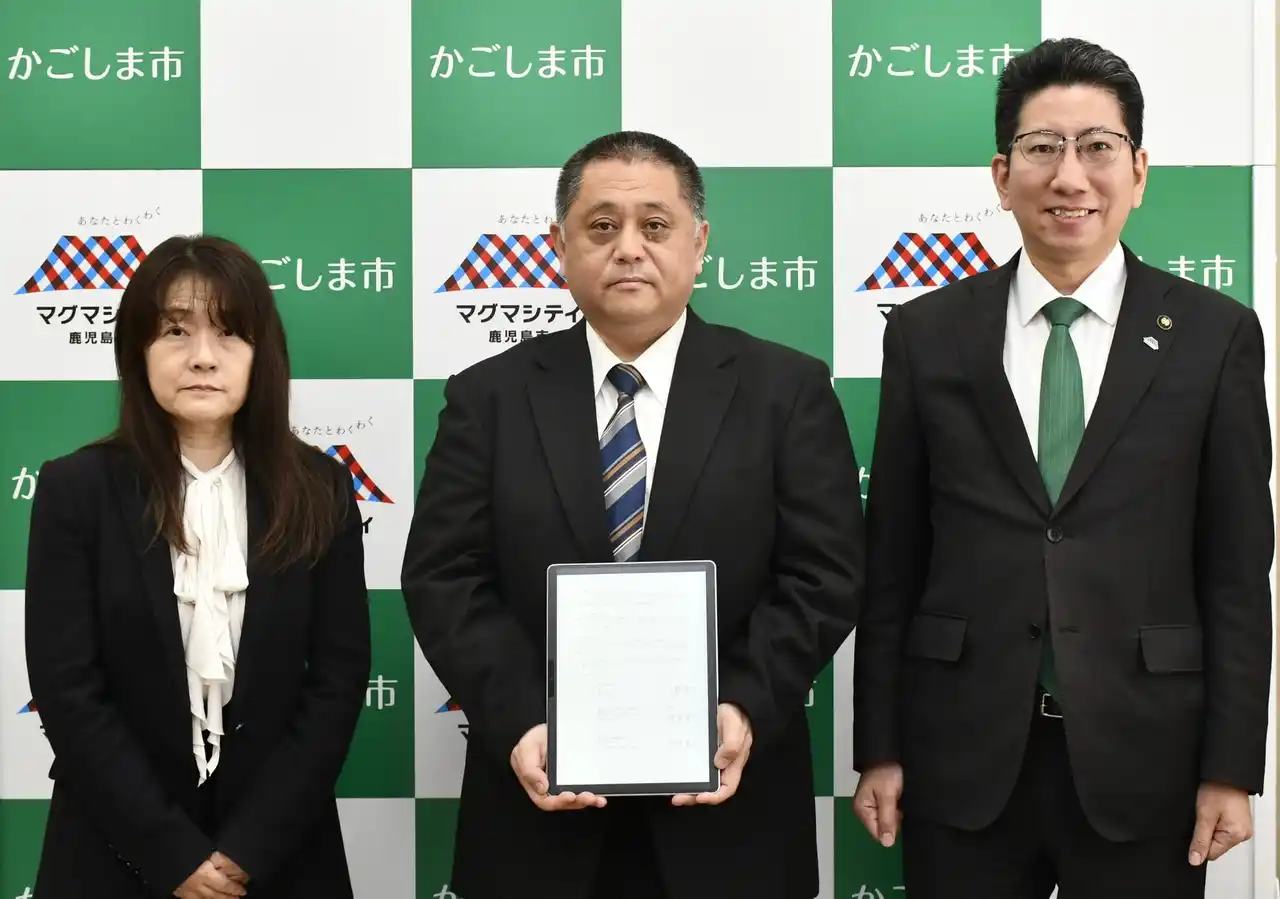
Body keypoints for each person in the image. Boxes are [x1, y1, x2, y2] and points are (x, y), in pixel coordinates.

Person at [851, 36, 1273, 898]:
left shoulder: (1214, 335)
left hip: (1145, 757)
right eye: (1043, 147)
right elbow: (892, 559)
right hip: (961, 756)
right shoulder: (928, 333)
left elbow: (1236, 571)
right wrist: (879, 747)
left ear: (1138, 172)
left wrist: (1231, 765)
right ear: (1002, 175)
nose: (1070, 176)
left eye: (1097, 147)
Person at [402, 130, 865, 899]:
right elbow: (444, 579)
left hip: (730, 816)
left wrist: (742, 703)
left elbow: (824, 575)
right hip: (537, 820)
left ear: (698, 242)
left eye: (655, 225)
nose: (628, 248)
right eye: (601, 226)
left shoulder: (786, 391)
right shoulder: (488, 398)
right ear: (560, 245)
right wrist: (524, 721)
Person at [24, 235, 371, 899]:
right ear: (137, 350)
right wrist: (170, 852)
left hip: (281, 855)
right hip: (110, 850)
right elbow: (67, 688)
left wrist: (250, 847)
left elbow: (338, 677)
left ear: (262, 354)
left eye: (229, 332)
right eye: (175, 331)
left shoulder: (320, 488)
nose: (203, 356)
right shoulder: (77, 489)